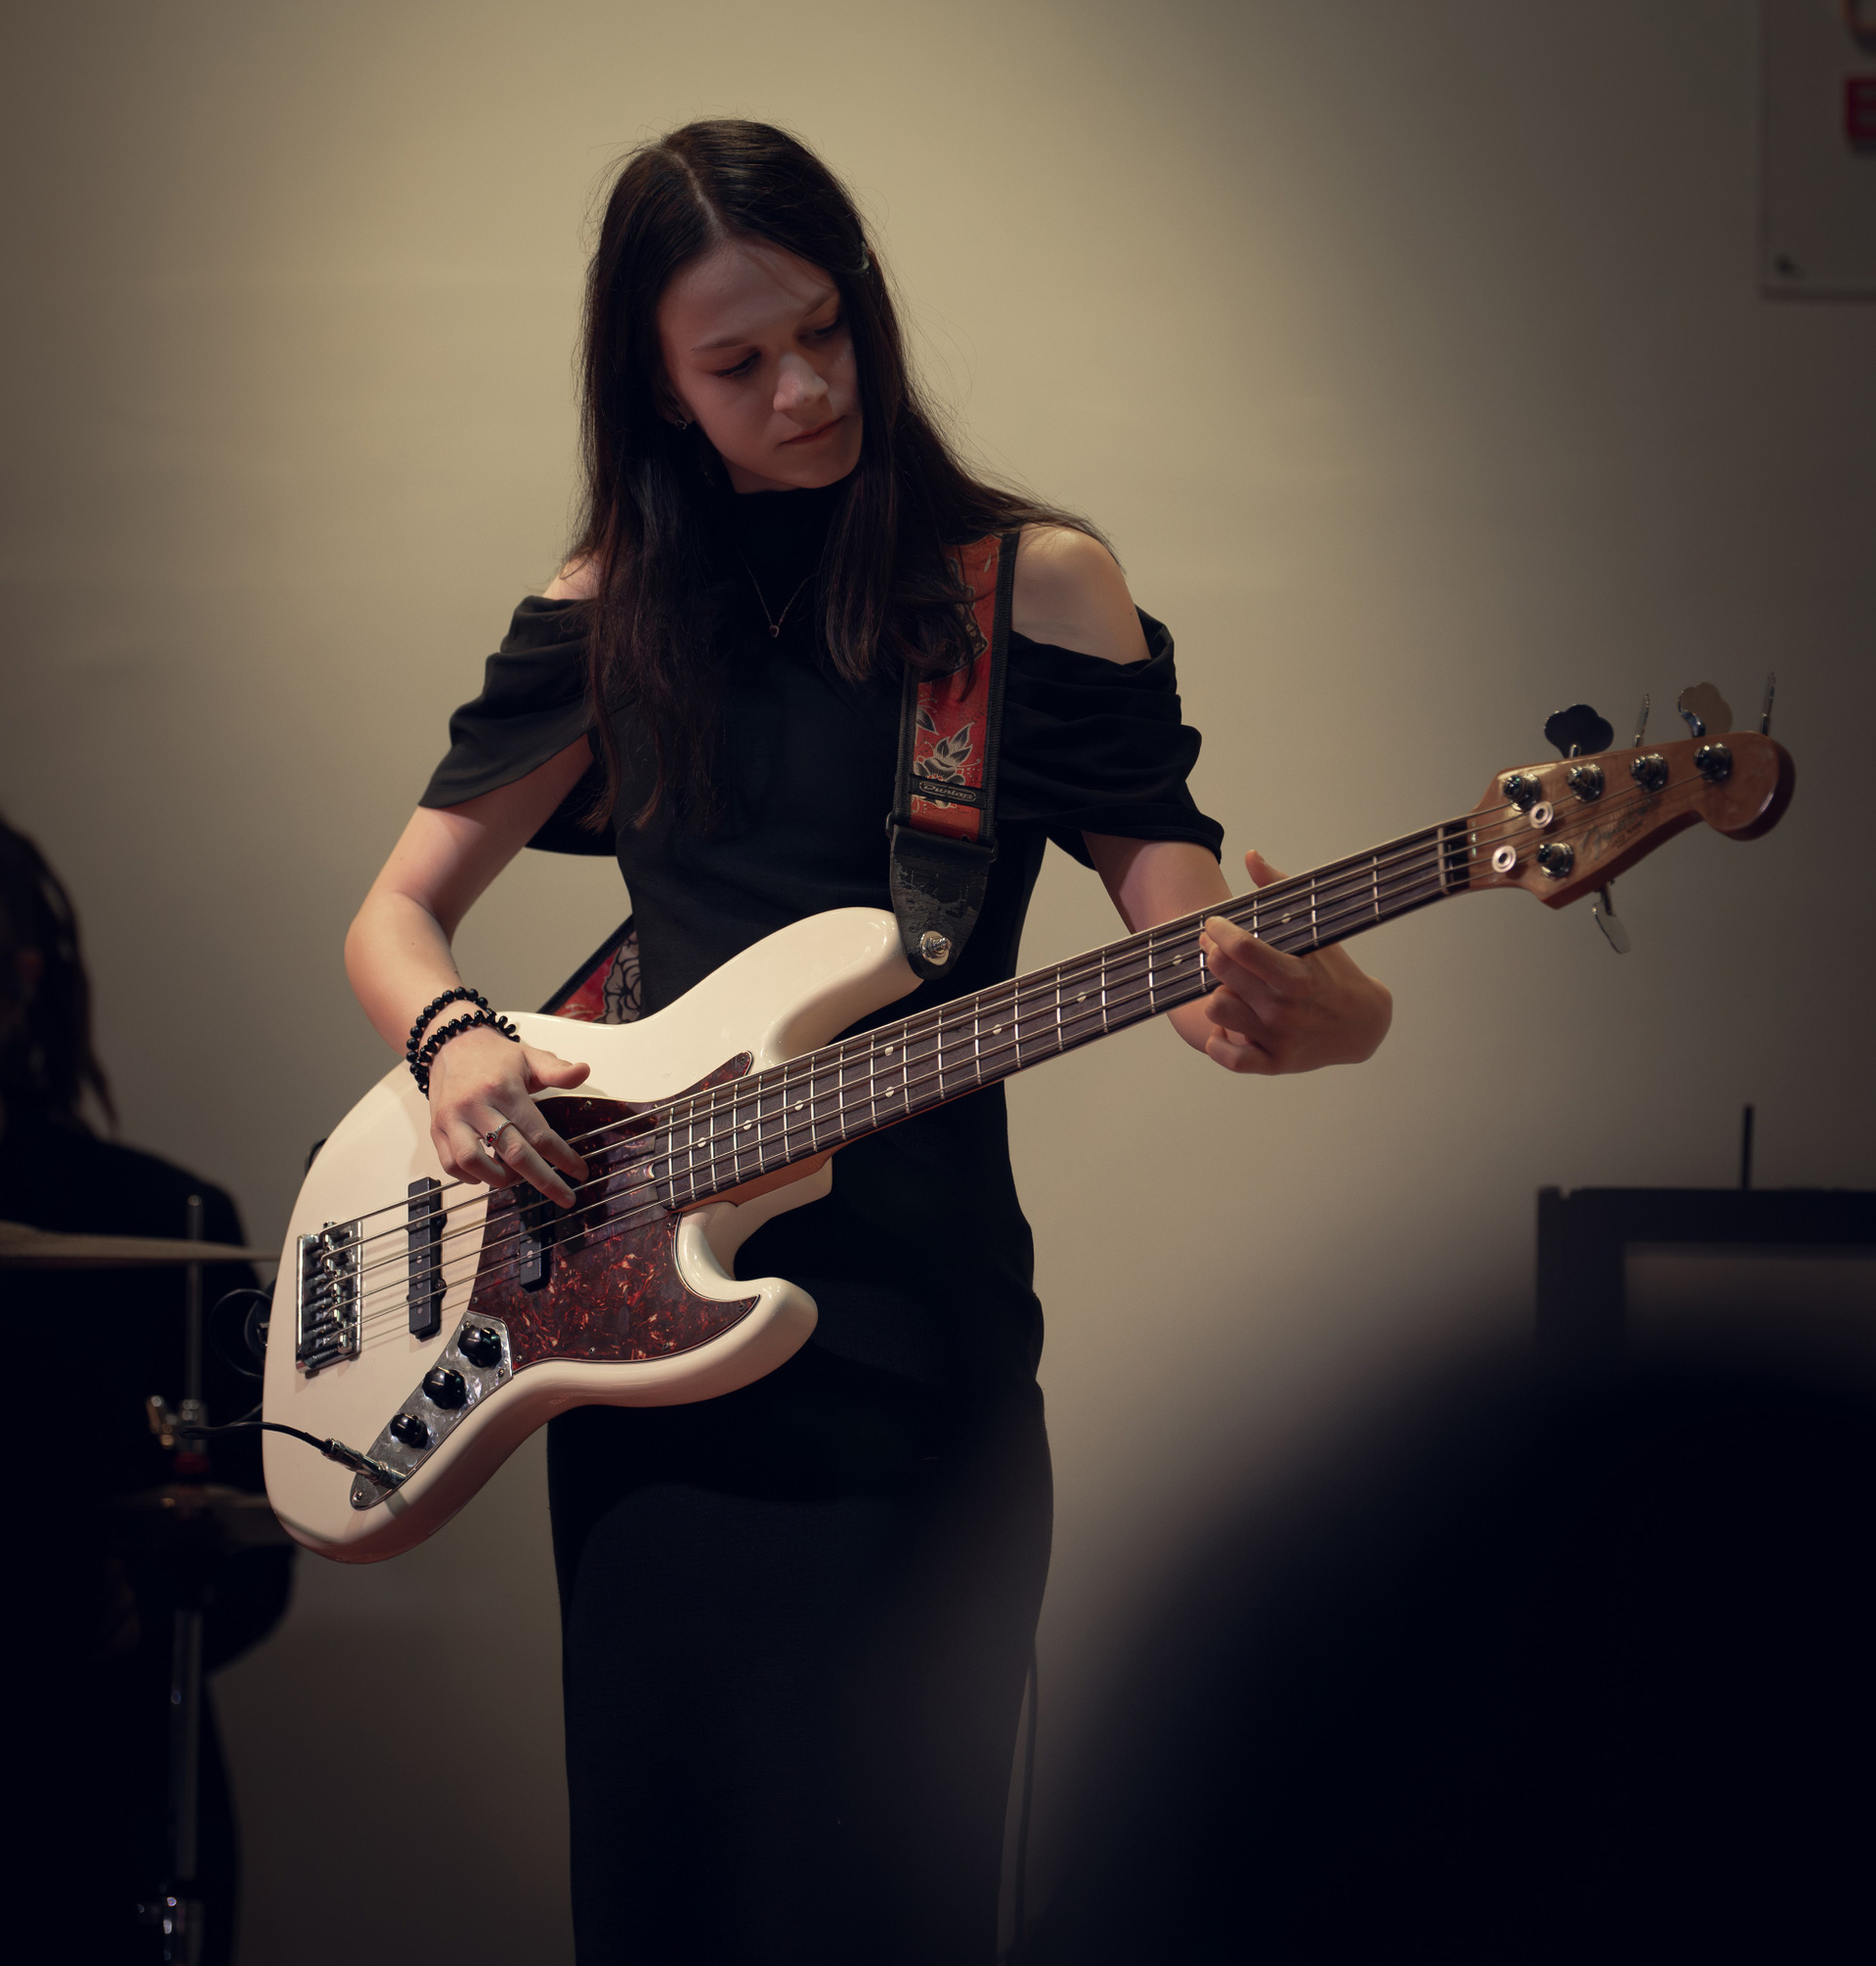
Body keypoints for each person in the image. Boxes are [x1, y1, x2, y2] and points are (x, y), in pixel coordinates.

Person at [343, 120, 1392, 1965]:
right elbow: (393, 916)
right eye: (738, 362)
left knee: (884, 1906)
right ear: (656, 388)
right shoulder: (607, 612)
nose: (806, 387)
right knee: (664, 1909)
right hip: (643, 1366)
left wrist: (1322, 1005)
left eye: (824, 329)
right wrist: (451, 1040)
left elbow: (1184, 925)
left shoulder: (1029, 588)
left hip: (915, 1362)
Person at [1, 814, 291, 1965]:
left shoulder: (170, 1227)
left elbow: (263, 1533)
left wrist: (147, 1612)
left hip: (101, 1796)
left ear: (23, 978)